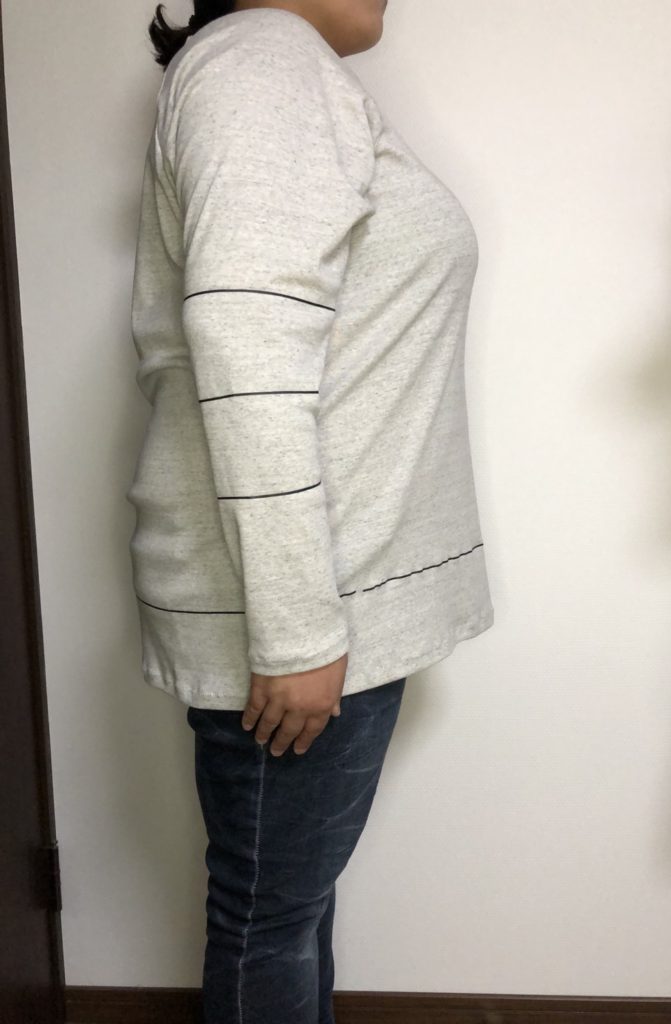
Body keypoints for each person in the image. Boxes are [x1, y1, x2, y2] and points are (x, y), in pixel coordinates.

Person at [128, 1, 495, 1020]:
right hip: (299, 610)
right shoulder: (261, 59)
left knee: (285, 908)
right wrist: (294, 632)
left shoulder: (280, 70)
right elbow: (248, 345)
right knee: (270, 917)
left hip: (326, 595)